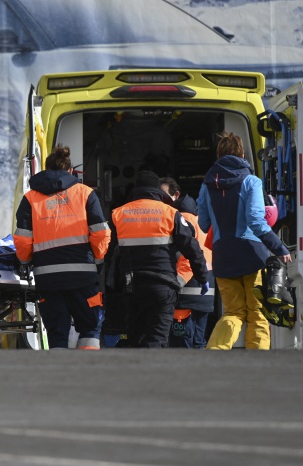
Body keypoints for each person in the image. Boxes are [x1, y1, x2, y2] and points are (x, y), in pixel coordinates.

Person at [196, 132, 292, 350]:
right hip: (252, 256)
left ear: (219, 155)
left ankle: (214, 351)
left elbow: (203, 224)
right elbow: (256, 222)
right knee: (257, 314)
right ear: (242, 154)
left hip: (223, 258)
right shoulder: (251, 181)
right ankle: (256, 365)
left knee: (233, 313)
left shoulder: (207, 185)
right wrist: (279, 247)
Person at [14, 144, 111, 350]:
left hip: (47, 278)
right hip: (83, 276)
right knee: (90, 328)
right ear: (70, 171)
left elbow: (22, 240)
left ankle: (59, 377)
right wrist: (97, 260)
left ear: (45, 170)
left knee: (57, 332)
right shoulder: (85, 193)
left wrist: (25, 262)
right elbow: (101, 233)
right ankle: (89, 374)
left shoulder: (30, 198)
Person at [109, 171, 207, 348]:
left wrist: (110, 284)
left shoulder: (119, 214)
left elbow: (107, 251)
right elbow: (191, 248)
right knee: (156, 339)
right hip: (162, 287)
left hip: (132, 286)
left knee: (135, 338)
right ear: (156, 190)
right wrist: (202, 277)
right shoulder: (171, 213)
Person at [159, 177, 214, 349]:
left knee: (182, 345)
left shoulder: (180, 219)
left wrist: (174, 285)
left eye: (163, 195)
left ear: (176, 195)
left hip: (186, 292)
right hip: (205, 292)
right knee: (198, 343)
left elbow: (188, 258)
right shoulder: (200, 219)